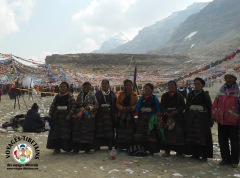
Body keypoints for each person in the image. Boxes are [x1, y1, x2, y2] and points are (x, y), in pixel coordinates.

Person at [212, 70, 240, 168]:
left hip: (234, 121)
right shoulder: (220, 90)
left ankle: (235, 161)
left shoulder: (238, 91)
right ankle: (225, 159)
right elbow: (215, 104)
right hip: (221, 120)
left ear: (234, 79)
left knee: (235, 142)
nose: (228, 79)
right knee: (222, 141)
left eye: (230, 78)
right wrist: (213, 114)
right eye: (226, 78)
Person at [185, 77, 213, 162]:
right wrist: (186, 118)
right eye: (195, 84)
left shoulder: (205, 94)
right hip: (192, 119)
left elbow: (209, 107)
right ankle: (195, 154)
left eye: (199, 84)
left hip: (202, 119)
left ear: (202, 85)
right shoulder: (190, 94)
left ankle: (204, 155)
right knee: (193, 136)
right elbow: (187, 107)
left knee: (202, 138)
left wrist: (211, 119)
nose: (197, 86)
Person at [46, 82, 76, 155]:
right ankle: (56, 149)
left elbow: (73, 106)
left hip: (66, 118)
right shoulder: (57, 96)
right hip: (57, 118)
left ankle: (67, 149)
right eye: (61, 87)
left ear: (67, 88)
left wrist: (69, 114)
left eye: (64, 87)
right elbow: (52, 106)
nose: (62, 88)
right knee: (57, 133)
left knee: (66, 133)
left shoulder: (70, 96)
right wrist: (50, 115)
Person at [133, 83, 161, 156]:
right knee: (141, 134)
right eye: (146, 89)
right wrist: (136, 117)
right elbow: (137, 107)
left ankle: (151, 150)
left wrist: (159, 117)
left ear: (151, 89)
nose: (147, 90)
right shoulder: (142, 98)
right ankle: (141, 149)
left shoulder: (155, 98)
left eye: (148, 89)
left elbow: (158, 108)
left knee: (151, 134)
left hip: (151, 119)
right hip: (142, 118)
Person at [71, 82, 99, 154]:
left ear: (90, 88)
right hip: (80, 116)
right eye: (84, 87)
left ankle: (87, 149)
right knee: (78, 133)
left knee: (88, 133)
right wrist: (78, 111)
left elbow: (96, 105)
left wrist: (90, 108)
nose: (85, 89)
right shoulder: (80, 95)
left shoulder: (92, 95)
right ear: (82, 88)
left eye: (87, 87)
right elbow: (76, 105)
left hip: (89, 116)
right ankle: (76, 149)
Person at [160, 81, 186, 158]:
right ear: (167, 87)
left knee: (178, 135)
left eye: (172, 85)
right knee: (167, 135)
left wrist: (176, 111)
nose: (171, 86)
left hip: (177, 117)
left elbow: (183, 105)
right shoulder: (164, 95)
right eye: (169, 85)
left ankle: (179, 152)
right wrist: (165, 112)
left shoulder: (179, 95)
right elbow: (162, 105)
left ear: (175, 86)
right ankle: (167, 152)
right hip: (167, 116)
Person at [115, 79, 138, 152]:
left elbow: (137, 105)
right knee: (120, 131)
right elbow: (117, 103)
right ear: (124, 85)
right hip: (121, 115)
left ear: (132, 86)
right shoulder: (121, 94)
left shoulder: (134, 94)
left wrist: (131, 108)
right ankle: (119, 147)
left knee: (130, 132)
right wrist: (122, 109)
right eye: (127, 85)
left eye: (130, 85)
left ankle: (129, 147)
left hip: (130, 115)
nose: (128, 86)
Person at [95, 79, 117, 151]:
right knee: (99, 130)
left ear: (108, 85)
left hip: (109, 114)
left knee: (109, 130)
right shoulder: (97, 93)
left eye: (105, 83)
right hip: (100, 114)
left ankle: (110, 146)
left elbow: (115, 104)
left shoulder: (112, 94)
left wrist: (115, 113)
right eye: (103, 83)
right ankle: (98, 145)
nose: (104, 85)